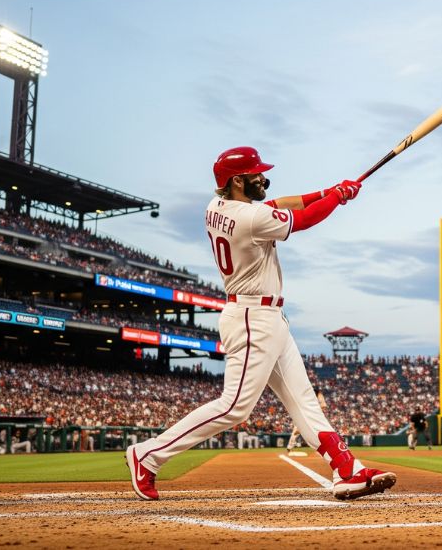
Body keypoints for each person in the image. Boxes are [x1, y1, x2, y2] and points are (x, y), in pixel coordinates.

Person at [126, 146, 395, 501]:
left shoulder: (218, 206)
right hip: (253, 317)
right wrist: (339, 198)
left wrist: (328, 192)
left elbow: (278, 204)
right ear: (237, 181)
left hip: (266, 316)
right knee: (234, 406)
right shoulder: (250, 219)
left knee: (304, 401)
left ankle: (348, 470)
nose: (263, 177)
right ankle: (147, 455)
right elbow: (303, 220)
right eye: (255, 174)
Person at [287, 387, 326, 453]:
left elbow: (323, 405)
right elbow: (323, 405)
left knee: (318, 432)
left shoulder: (316, 396)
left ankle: (320, 447)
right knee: (296, 431)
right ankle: (290, 446)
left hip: (311, 416)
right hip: (306, 415)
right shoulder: (310, 399)